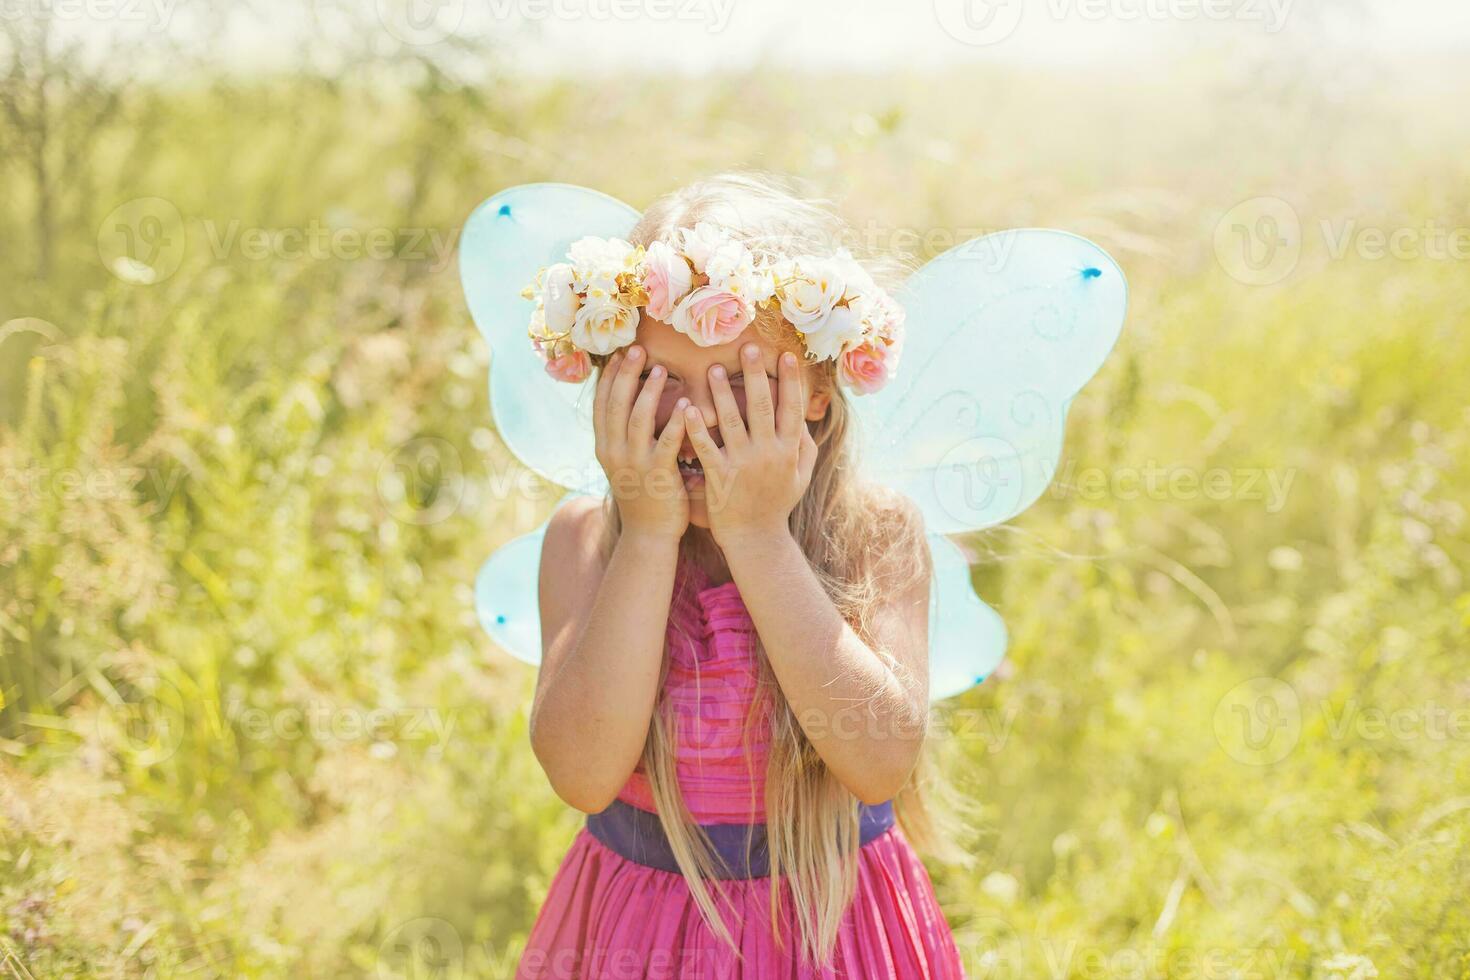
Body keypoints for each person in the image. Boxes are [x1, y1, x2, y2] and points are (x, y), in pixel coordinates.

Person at [512, 174, 968, 979]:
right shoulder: (587, 542)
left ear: (818, 393)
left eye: (735, 383)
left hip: (831, 933)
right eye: (657, 382)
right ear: (608, 382)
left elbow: (879, 761)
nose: (694, 419)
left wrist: (757, 535)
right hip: (642, 935)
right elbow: (582, 775)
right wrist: (648, 536)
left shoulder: (873, 534)